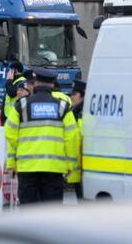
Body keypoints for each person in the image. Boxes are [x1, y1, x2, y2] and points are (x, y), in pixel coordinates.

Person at [5, 68, 78, 205]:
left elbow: (10, 134)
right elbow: (72, 137)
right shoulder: (62, 107)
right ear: (52, 85)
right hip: (54, 168)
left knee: (29, 212)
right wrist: (70, 165)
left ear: (35, 83)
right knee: (51, 213)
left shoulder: (22, 106)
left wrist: (11, 163)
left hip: (27, 167)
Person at [67, 80, 86, 200]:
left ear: (82, 96)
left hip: (85, 167)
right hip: (77, 167)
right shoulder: (74, 112)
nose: (71, 97)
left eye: (74, 94)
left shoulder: (84, 114)